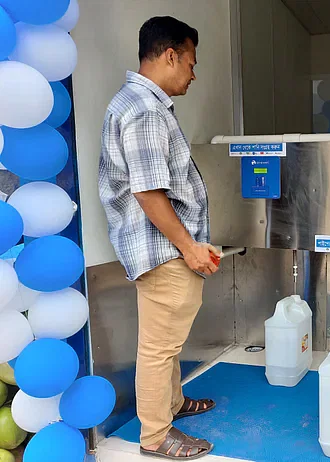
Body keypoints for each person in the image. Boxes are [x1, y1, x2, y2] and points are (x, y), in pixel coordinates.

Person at [98, 16, 220, 460]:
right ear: (170, 55)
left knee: (166, 340)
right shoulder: (146, 110)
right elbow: (149, 193)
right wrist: (189, 248)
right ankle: (155, 436)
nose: (193, 72)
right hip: (164, 250)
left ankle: (172, 404)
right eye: (191, 61)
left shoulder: (138, 104)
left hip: (163, 248)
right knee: (158, 346)